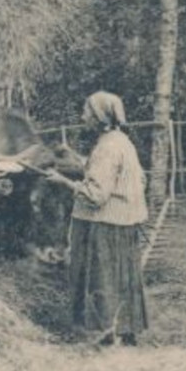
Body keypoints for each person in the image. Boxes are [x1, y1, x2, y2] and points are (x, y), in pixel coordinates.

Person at [67, 92, 150, 347]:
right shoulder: (122, 142)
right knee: (123, 278)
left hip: (104, 224)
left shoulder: (106, 148)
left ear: (99, 117)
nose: (83, 117)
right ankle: (126, 332)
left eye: (86, 112)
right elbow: (140, 180)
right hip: (124, 224)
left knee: (101, 278)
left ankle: (105, 333)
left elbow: (97, 195)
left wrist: (65, 183)